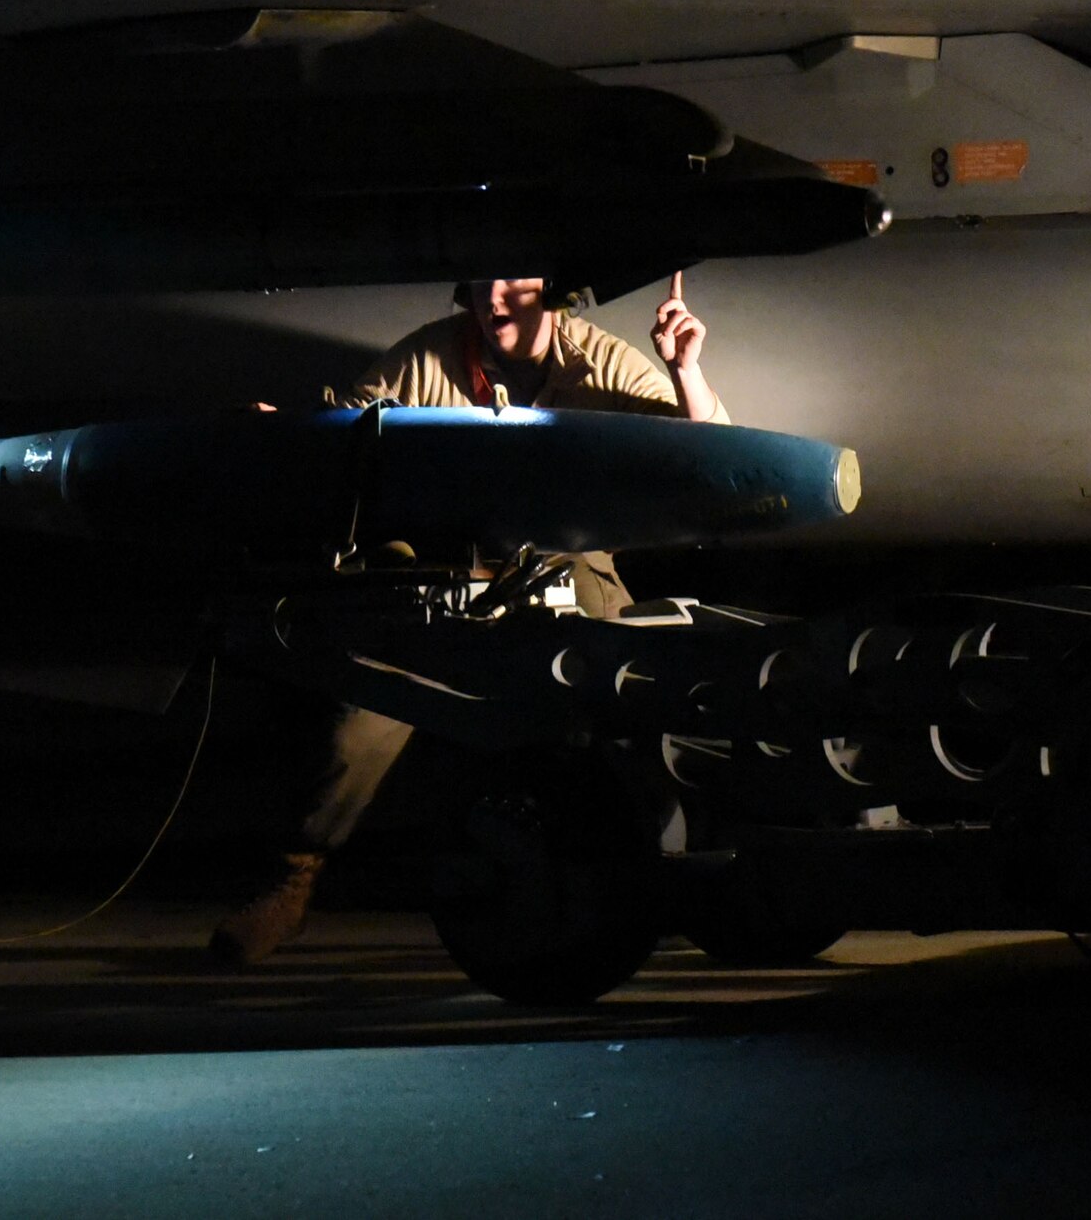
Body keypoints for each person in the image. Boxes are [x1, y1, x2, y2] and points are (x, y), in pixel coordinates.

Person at [209, 273, 728, 965]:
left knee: (618, 698)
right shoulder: (428, 358)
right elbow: (347, 429)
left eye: (515, 280)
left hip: (570, 566)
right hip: (459, 576)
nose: (494, 298)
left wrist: (684, 370)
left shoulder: (599, 360)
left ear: (555, 291)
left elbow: (712, 460)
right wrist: (288, 431)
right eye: (483, 281)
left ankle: (644, 871)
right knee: (363, 706)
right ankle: (293, 882)